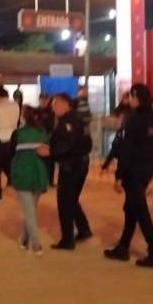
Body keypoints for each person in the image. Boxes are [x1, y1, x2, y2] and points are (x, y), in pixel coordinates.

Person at [104, 84, 153, 268]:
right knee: (131, 208)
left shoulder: (134, 119)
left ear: (136, 98)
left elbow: (127, 150)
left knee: (140, 210)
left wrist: (119, 175)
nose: (129, 100)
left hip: (134, 170)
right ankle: (123, 247)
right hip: (147, 169)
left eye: (131, 96)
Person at [48, 93, 93, 249]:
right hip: (81, 163)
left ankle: (67, 240)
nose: (53, 108)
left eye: (55, 104)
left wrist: (50, 152)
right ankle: (83, 229)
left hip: (71, 165)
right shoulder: (78, 119)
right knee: (72, 199)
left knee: (65, 202)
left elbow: (68, 144)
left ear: (65, 104)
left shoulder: (68, 122)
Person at [12, 106, 51, 255]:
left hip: (22, 174)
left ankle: (36, 244)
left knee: (29, 212)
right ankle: (23, 239)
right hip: (39, 175)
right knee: (31, 210)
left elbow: (10, 153)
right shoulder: (42, 134)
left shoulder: (17, 134)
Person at [36, 93, 56, 186]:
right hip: (38, 138)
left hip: (49, 138)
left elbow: (53, 126)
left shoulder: (52, 111)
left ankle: (50, 180)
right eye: (42, 99)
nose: (44, 101)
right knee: (39, 160)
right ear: (39, 100)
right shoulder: (35, 111)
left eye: (45, 99)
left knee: (50, 160)